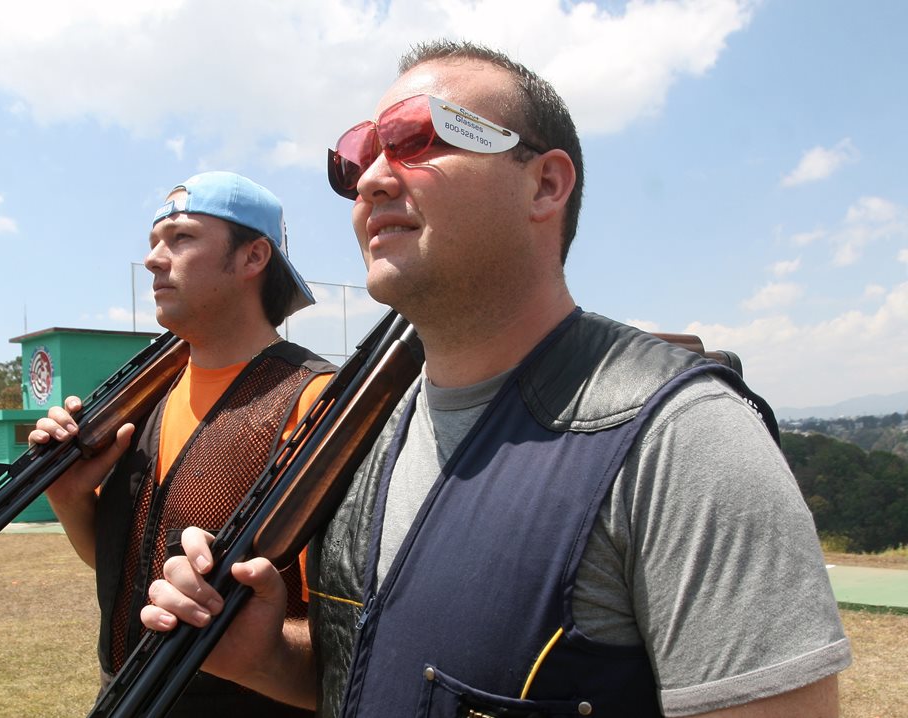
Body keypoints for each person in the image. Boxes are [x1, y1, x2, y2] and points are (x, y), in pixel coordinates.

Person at [141, 41, 852, 717]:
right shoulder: (352, 440)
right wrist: (268, 655)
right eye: (359, 156)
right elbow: (382, 676)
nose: (371, 179)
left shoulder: (680, 441)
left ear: (545, 184)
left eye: (419, 138)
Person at [30, 171, 333, 716]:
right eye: (153, 242)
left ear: (253, 257)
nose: (153, 260)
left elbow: (342, 630)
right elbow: (125, 570)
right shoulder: (141, 398)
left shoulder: (314, 401)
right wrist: (70, 500)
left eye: (182, 238)